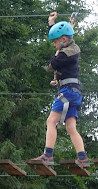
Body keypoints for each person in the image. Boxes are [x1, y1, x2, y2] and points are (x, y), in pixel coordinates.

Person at [31, 12, 90, 167]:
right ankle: (83, 158)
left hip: (68, 92)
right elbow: (62, 37)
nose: (53, 45)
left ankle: (48, 155)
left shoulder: (67, 53)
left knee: (51, 121)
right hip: (74, 93)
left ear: (63, 39)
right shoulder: (69, 46)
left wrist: (56, 54)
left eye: (55, 42)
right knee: (71, 127)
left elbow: (52, 65)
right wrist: (51, 23)